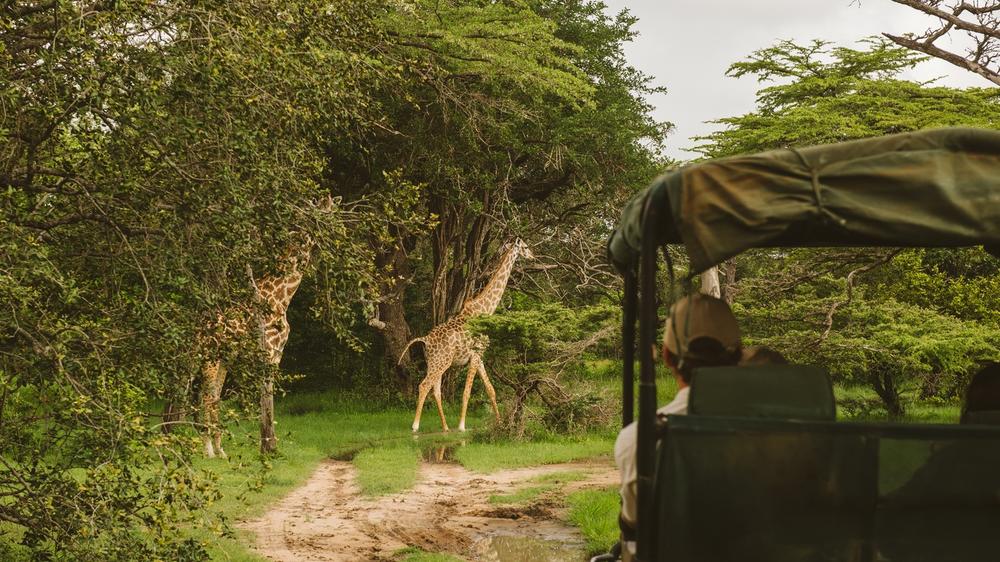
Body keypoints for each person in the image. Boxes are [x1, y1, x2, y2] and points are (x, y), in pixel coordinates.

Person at [613, 293, 743, 529]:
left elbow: (634, 523)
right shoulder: (791, 430)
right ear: (740, 355)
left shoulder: (638, 439)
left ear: (666, 355)